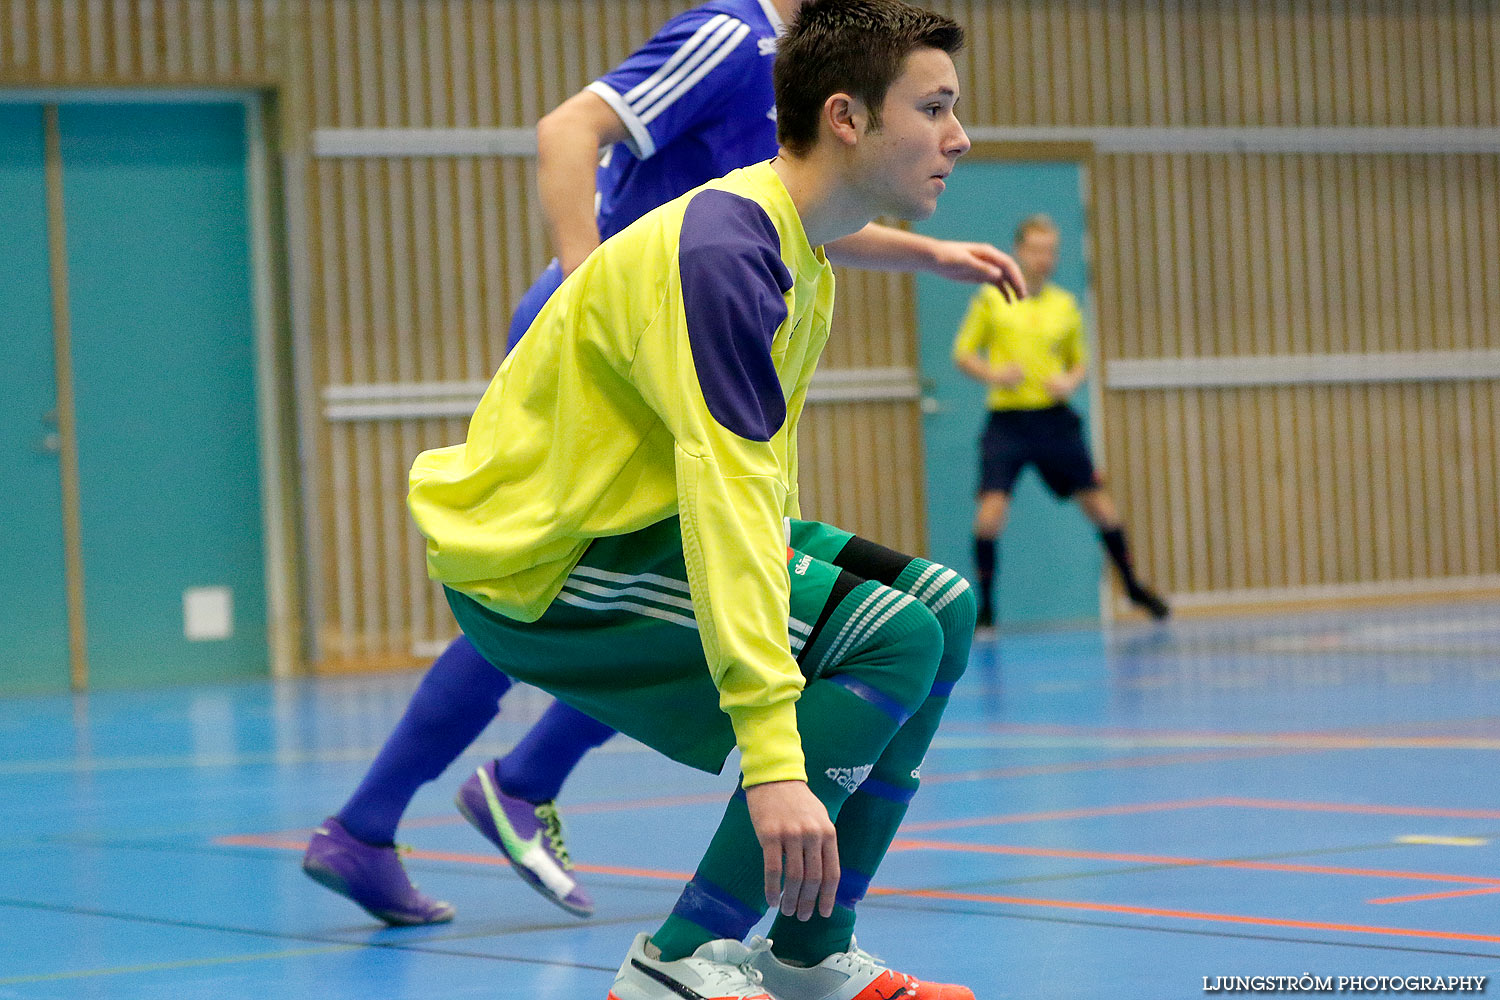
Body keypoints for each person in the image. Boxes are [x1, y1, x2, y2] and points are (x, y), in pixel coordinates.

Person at [303, 0, 1023, 928]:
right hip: (630, 326)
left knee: (832, 595)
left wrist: (925, 251)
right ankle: (597, 870)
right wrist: (582, 279)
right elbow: (569, 128)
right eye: (933, 112)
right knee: (628, 584)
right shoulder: (732, 40)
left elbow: (806, 194)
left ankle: (450, 802)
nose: (954, 136)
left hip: (683, 311)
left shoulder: (794, 228)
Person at [953, 214, 1169, 628]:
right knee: (990, 514)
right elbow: (963, 354)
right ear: (1019, 251)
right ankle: (986, 609)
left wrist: (1068, 381)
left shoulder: (1065, 305)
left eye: (1050, 250)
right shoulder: (991, 299)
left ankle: (1133, 586)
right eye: (1036, 249)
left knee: (1101, 507)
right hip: (1008, 422)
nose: (1043, 258)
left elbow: (1080, 363)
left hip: (1054, 421)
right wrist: (994, 374)